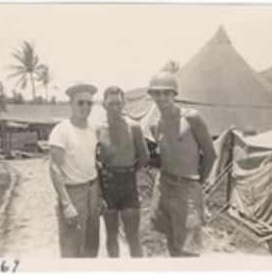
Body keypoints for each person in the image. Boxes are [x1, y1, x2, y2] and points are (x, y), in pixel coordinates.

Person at [148, 71, 217, 257]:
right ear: (151, 95)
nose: (161, 97)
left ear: (174, 94)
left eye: (166, 92)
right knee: (170, 238)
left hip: (186, 188)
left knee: (188, 248)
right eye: (156, 93)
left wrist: (197, 183)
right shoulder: (156, 124)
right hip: (164, 185)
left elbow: (210, 154)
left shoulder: (191, 118)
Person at [48, 83, 103, 258]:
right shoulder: (61, 131)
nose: (85, 107)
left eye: (89, 103)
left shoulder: (92, 130)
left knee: (91, 246)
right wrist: (66, 204)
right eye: (80, 103)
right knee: (72, 248)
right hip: (73, 193)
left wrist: (99, 195)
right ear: (71, 104)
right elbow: (54, 168)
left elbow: (94, 163)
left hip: (92, 191)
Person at [97, 86, 149, 257]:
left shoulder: (133, 127)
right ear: (103, 103)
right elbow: (93, 160)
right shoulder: (98, 129)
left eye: (118, 103)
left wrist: (130, 171)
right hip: (107, 185)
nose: (114, 107)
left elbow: (144, 156)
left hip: (128, 183)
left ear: (124, 103)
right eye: (111, 103)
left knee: (133, 236)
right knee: (111, 235)